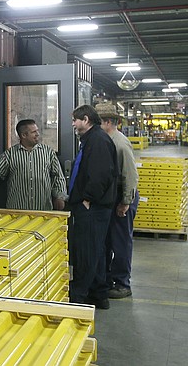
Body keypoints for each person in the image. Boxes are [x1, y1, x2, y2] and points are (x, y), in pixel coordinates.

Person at [68, 104, 118, 309]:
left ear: (86, 120)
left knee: (87, 252)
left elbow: (101, 175)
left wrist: (88, 199)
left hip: (93, 207)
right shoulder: (91, 139)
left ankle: (78, 295)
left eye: (75, 120)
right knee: (96, 251)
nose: (72, 123)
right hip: (93, 206)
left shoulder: (97, 141)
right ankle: (98, 294)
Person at [0, 119, 67, 211]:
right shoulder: (10, 154)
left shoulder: (48, 152)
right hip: (17, 210)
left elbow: (58, 176)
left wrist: (60, 196)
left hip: (43, 209)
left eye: (37, 131)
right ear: (24, 135)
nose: (38, 134)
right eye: (34, 132)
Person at [95, 102, 140, 299]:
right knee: (108, 241)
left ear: (107, 122)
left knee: (121, 242)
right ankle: (108, 279)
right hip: (113, 197)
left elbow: (130, 175)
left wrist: (125, 202)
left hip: (122, 197)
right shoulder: (106, 140)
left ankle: (123, 284)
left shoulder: (119, 143)